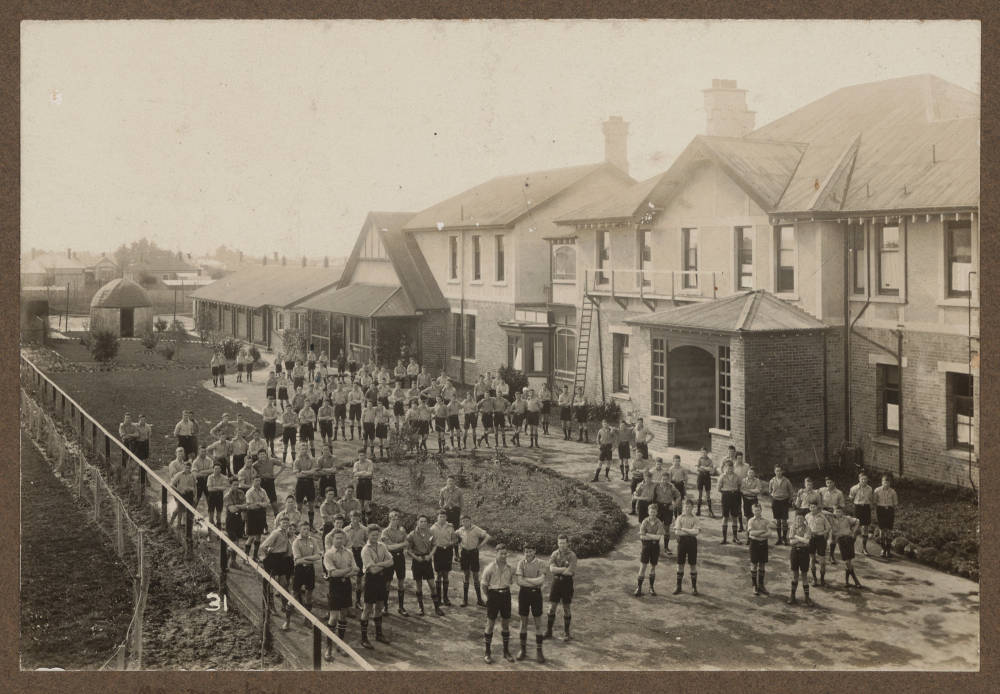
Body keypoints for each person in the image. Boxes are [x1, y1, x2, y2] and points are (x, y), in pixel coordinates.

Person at [478, 543, 515, 664]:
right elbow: (483, 585)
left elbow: (510, 582)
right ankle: (487, 652)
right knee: (490, 623)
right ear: (496, 553)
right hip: (493, 595)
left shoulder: (510, 568)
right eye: (501, 553)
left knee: (505, 623)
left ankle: (506, 651)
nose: (504, 556)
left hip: (506, 595)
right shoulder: (489, 568)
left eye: (505, 553)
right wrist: (489, 597)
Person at [323, 529, 356, 660]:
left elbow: (356, 569)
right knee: (334, 617)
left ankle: (340, 645)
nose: (339, 540)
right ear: (332, 539)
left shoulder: (349, 552)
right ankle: (328, 648)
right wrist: (348, 570)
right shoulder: (328, 554)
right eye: (337, 538)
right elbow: (333, 573)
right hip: (335, 587)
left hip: (346, 586)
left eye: (341, 538)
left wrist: (343, 572)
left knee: (343, 616)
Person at [358, 524, 393, 648]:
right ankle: (364, 638)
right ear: (368, 535)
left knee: (379, 606)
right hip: (370, 580)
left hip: (381, 579)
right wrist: (384, 564)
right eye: (373, 535)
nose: (375, 537)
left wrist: (379, 564)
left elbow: (391, 561)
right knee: (367, 608)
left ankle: (379, 634)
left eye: (377, 535)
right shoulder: (365, 550)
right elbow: (372, 570)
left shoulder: (382, 546)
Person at [259, 516, 296, 630]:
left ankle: (285, 605)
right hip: (273, 559)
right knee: (270, 583)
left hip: (282, 559)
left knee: (284, 583)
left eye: (287, 523)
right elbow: (264, 545)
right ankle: (270, 606)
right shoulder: (276, 533)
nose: (285, 524)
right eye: (283, 523)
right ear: (279, 523)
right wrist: (269, 553)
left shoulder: (286, 533)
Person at [406, 514, 445, 616]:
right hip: (417, 560)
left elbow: (435, 545)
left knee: (432, 585)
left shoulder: (430, 533)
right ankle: (421, 607)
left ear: (427, 523)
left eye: (425, 522)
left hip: (427, 560)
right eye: (421, 521)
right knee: (419, 585)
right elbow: (408, 549)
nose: (423, 523)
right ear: (417, 522)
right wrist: (416, 557)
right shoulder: (412, 534)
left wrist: (430, 555)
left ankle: (437, 608)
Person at [514, 544, 546, 663]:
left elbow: (541, 580)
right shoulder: (521, 563)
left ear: (535, 551)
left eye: (531, 551)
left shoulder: (541, 563)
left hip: (536, 595)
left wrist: (526, 580)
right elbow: (519, 581)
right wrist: (533, 581)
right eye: (526, 551)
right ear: (524, 552)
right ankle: (523, 650)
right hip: (524, 595)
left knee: (538, 624)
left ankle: (539, 651)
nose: (528, 554)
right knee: (523, 623)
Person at [546, 535, 577, 641]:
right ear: (557, 543)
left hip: (567, 584)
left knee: (566, 608)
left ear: (567, 543)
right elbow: (551, 569)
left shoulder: (572, 555)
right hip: (556, 583)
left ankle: (567, 633)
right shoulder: (555, 554)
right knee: (551, 608)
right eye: (560, 543)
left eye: (563, 543)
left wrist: (558, 569)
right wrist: (564, 568)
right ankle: (549, 631)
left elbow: (570, 572)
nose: (562, 545)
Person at [380, 509, 410, 616]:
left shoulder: (402, 530)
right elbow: (389, 547)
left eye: (397, 519)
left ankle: (401, 607)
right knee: (387, 582)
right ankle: (385, 606)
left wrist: (400, 545)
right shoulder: (385, 532)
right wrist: (401, 544)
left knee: (401, 582)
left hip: (400, 557)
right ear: (389, 519)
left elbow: (407, 544)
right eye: (393, 519)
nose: (395, 521)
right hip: (389, 558)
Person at [291, 521, 322, 626]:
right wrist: (311, 559)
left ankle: (307, 618)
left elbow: (318, 556)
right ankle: (288, 618)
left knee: (309, 593)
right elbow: (298, 561)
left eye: (308, 529)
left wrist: (306, 559)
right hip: (299, 570)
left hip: (310, 570)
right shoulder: (296, 542)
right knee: (294, 593)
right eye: (304, 529)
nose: (306, 531)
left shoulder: (313, 540)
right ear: (299, 530)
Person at [456, 515, 489, 607]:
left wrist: (480, 546)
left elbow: (487, 536)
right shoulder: (460, 530)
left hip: (474, 553)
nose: (465, 523)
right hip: (464, 553)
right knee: (466, 575)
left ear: (470, 521)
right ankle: (465, 600)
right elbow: (453, 536)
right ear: (461, 522)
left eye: (467, 521)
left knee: (475, 575)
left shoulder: (476, 529)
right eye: (463, 521)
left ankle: (479, 600)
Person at [635, 502, 666, 597]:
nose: (652, 514)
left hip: (655, 547)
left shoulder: (659, 522)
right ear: (648, 512)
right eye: (651, 512)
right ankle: (639, 588)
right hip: (646, 546)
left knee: (653, 567)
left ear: (656, 513)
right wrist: (652, 536)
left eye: (654, 512)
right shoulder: (645, 521)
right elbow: (641, 536)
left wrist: (647, 534)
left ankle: (651, 588)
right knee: (643, 566)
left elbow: (658, 538)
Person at [830, 506, 864, 588]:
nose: (838, 513)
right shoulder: (832, 519)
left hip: (848, 539)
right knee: (847, 561)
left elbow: (858, 521)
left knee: (849, 561)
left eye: (839, 511)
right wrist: (831, 513)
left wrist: (853, 531)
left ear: (842, 512)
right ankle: (855, 580)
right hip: (841, 540)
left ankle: (847, 582)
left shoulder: (847, 518)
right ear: (834, 512)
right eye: (836, 511)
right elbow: (822, 512)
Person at [430, 509, 458, 606]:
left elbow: (455, 540)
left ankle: (445, 597)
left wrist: (449, 543)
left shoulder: (450, 527)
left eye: (444, 517)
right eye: (440, 516)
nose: (442, 518)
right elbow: (430, 542)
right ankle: (438, 597)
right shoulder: (432, 528)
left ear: (446, 517)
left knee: (446, 574)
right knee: (438, 574)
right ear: (437, 517)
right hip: (437, 552)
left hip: (447, 552)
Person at [672, 499, 699, 595]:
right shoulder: (679, 517)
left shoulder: (695, 518)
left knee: (693, 564)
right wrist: (689, 531)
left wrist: (683, 529)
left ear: (692, 508)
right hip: (682, 542)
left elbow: (696, 532)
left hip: (692, 543)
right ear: (683, 507)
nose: (687, 508)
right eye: (686, 506)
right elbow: (677, 532)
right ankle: (678, 586)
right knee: (680, 564)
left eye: (689, 506)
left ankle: (694, 587)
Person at [787, 510, 814, 606]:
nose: (799, 520)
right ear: (795, 519)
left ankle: (807, 598)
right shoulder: (792, 527)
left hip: (804, 552)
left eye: (801, 518)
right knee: (795, 575)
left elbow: (806, 541)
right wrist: (801, 539)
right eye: (797, 518)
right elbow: (791, 542)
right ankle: (792, 596)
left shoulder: (807, 528)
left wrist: (796, 537)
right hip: (794, 551)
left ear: (804, 519)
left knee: (804, 575)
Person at [243, 476, 271, 562]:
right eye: (256, 481)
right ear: (253, 481)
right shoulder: (249, 492)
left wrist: (258, 504)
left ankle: (255, 556)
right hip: (252, 515)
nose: (258, 482)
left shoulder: (263, 491)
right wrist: (261, 504)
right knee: (251, 536)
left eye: (259, 481)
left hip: (261, 514)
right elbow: (251, 506)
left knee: (259, 535)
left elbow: (267, 502)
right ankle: (246, 557)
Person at [345, 511, 369, 609]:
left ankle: (358, 601)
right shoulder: (345, 529)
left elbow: (368, 542)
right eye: (353, 518)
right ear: (350, 518)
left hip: (360, 553)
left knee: (359, 578)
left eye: (357, 518)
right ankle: (347, 602)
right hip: (350, 553)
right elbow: (343, 542)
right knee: (347, 578)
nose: (355, 520)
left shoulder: (364, 529)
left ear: (360, 518)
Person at [746, 503, 771, 596]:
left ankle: (761, 585)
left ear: (761, 510)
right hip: (754, 544)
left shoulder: (765, 521)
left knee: (762, 565)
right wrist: (762, 531)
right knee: (754, 564)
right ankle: (754, 585)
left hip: (763, 544)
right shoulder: (750, 521)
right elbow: (751, 533)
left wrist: (758, 534)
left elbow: (769, 534)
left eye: (759, 510)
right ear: (753, 511)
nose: (757, 512)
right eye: (755, 510)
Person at [848, 471, 875, 555]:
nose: (864, 481)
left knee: (865, 528)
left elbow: (871, 499)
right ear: (859, 479)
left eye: (865, 479)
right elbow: (851, 498)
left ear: (867, 480)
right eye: (862, 479)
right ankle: (851, 547)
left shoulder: (870, 488)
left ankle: (864, 548)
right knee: (856, 528)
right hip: (858, 508)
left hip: (866, 508)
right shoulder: (854, 488)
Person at [805, 501, 831, 587]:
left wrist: (822, 533)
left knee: (822, 561)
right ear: (809, 508)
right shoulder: (807, 516)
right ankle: (814, 579)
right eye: (811, 507)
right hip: (811, 539)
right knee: (812, 559)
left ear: (817, 508)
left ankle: (822, 580)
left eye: (814, 507)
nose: (812, 508)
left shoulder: (822, 516)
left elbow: (828, 528)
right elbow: (805, 526)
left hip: (820, 539)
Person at [222, 476, 246, 569]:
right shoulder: (227, 496)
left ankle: (233, 562)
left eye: (237, 484)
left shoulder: (241, 493)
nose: (236, 486)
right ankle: (224, 562)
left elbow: (246, 505)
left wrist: (238, 506)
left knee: (237, 542)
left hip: (239, 520)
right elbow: (232, 509)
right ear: (230, 485)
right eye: (234, 485)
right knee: (234, 543)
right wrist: (240, 507)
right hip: (230, 520)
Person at [820, 477, 846, 563]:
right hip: (823, 513)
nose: (829, 484)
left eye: (830, 482)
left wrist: (837, 509)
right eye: (827, 482)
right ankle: (821, 553)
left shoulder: (839, 493)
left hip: (834, 515)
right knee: (824, 534)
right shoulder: (822, 490)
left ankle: (831, 555)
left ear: (834, 483)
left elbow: (842, 505)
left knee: (834, 536)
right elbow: (813, 495)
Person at [292, 443, 317, 528]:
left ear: (308, 450)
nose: (304, 451)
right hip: (300, 483)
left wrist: (303, 472)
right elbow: (296, 474)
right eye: (302, 449)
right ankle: (297, 526)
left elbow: (314, 471)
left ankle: (311, 525)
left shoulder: (312, 459)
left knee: (311, 505)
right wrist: (308, 473)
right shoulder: (297, 460)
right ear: (299, 450)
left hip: (310, 483)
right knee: (299, 506)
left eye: (306, 449)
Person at [874, 475, 899, 559]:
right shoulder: (877, 490)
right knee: (882, 530)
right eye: (885, 482)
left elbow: (895, 504)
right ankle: (883, 549)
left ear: (890, 483)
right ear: (882, 482)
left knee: (889, 531)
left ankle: (888, 550)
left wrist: (890, 510)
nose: (886, 484)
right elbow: (875, 501)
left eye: (888, 482)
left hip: (889, 510)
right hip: (880, 510)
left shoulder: (893, 492)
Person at [769, 465, 794, 545]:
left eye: (780, 471)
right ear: (774, 471)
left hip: (784, 502)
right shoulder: (772, 480)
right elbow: (770, 491)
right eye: (777, 471)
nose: (778, 472)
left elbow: (791, 491)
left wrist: (789, 501)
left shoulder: (786, 481)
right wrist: (773, 496)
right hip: (776, 501)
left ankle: (784, 538)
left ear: (782, 471)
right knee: (778, 521)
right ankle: (779, 538)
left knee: (784, 520)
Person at [718, 460, 742, 545]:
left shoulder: (737, 476)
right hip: (726, 496)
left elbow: (739, 486)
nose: (730, 469)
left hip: (734, 496)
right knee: (725, 517)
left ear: (733, 468)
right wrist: (727, 492)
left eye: (731, 468)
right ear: (725, 467)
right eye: (728, 467)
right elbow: (719, 488)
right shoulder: (722, 476)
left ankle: (735, 537)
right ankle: (724, 538)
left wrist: (734, 492)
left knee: (735, 517)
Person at [169, 460, 197, 533]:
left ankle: (187, 528)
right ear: (184, 467)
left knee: (188, 510)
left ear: (190, 468)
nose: (187, 469)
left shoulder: (192, 475)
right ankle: (176, 525)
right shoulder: (179, 474)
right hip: (181, 493)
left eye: (189, 468)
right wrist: (179, 490)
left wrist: (195, 495)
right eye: (186, 468)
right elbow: (171, 484)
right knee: (180, 509)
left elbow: (195, 486)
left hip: (189, 494)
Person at [255, 449, 283, 515]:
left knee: (274, 504)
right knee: (261, 504)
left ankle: (277, 520)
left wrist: (276, 475)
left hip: (270, 483)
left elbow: (283, 465)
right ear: (258, 456)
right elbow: (252, 473)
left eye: (263, 454)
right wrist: (259, 476)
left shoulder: (272, 460)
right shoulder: (255, 464)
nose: (262, 456)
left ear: (266, 454)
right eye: (260, 454)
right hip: (261, 484)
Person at [353, 449, 374, 522]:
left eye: (363, 455)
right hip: (359, 483)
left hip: (367, 483)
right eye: (360, 455)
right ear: (358, 456)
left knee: (366, 504)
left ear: (365, 455)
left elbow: (370, 473)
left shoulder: (369, 462)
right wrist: (364, 472)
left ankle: (370, 519)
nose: (361, 457)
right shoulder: (356, 463)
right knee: (360, 504)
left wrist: (360, 473)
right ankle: (363, 520)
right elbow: (355, 474)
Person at [741, 467, 763, 534]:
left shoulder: (757, 480)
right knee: (747, 516)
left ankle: (754, 533)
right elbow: (742, 491)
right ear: (747, 473)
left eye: (752, 473)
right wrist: (752, 491)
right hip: (746, 500)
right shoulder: (744, 480)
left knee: (755, 515)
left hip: (754, 500)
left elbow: (758, 490)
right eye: (750, 472)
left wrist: (748, 490)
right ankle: (748, 534)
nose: (751, 474)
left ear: (754, 474)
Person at [731, 452, 749, 536]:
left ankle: (748, 525)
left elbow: (750, 477)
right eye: (738, 458)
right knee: (738, 507)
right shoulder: (733, 467)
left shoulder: (747, 466)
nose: (740, 460)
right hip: (737, 490)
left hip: (745, 489)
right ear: (735, 459)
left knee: (746, 507)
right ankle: (741, 525)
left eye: (741, 458)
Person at [695, 448, 716, 517]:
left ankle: (710, 510)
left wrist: (703, 467)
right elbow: (697, 468)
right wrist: (705, 468)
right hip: (700, 477)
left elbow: (710, 469)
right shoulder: (699, 459)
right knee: (700, 494)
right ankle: (698, 510)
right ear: (701, 453)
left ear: (707, 453)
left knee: (708, 495)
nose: (704, 454)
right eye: (702, 453)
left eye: (705, 452)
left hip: (707, 477)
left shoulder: (710, 460)